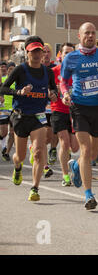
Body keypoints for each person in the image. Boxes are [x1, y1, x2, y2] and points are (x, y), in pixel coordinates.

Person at [60, 22, 98, 210]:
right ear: (80, 36)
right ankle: (88, 194)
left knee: (93, 153)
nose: (91, 36)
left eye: (93, 33)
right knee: (85, 149)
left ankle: (77, 167)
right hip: (79, 107)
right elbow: (63, 81)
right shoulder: (71, 58)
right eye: (87, 33)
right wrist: (66, 94)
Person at [0, 36, 58, 201]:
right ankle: (17, 166)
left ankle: (35, 188)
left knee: (39, 152)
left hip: (38, 116)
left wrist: (54, 95)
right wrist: (18, 92)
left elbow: (54, 91)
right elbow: (3, 88)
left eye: (39, 51)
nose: (37, 54)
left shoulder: (47, 72)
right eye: (33, 51)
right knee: (20, 155)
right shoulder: (20, 70)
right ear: (27, 53)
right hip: (20, 116)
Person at [50, 42, 79, 186]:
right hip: (58, 110)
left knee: (75, 147)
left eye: (71, 53)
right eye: (65, 52)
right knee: (64, 143)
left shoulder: (78, 71)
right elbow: (47, 89)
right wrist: (52, 93)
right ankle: (65, 175)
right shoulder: (54, 71)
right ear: (60, 55)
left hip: (75, 111)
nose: (68, 55)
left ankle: (74, 166)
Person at [0, 62, 16, 161]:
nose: (11, 70)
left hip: (14, 110)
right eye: (10, 68)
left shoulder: (18, 81)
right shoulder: (2, 80)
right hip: (3, 109)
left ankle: (6, 152)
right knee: (4, 132)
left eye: (13, 69)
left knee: (12, 133)